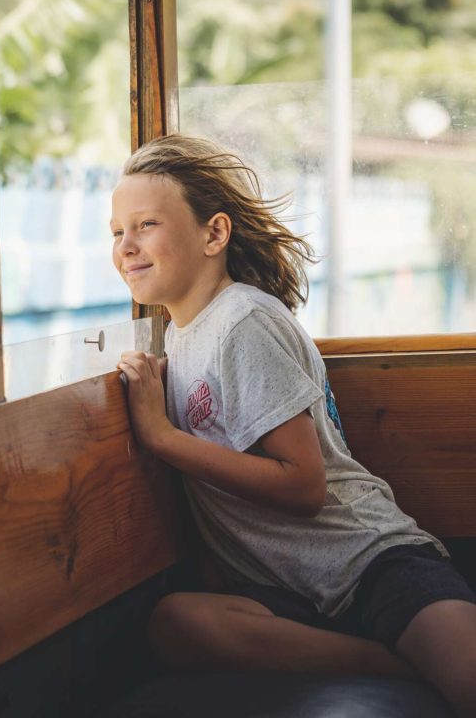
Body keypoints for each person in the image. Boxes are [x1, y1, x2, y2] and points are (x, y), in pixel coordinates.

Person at [110, 133, 476, 718]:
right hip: (285, 594)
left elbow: (303, 485)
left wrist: (161, 437)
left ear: (214, 234)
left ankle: (419, 652)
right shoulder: (181, 337)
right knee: (176, 622)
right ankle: (395, 661)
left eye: (146, 224)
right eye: (116, 232)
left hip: (371, 565)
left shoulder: (242, 321)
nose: (127, 246)